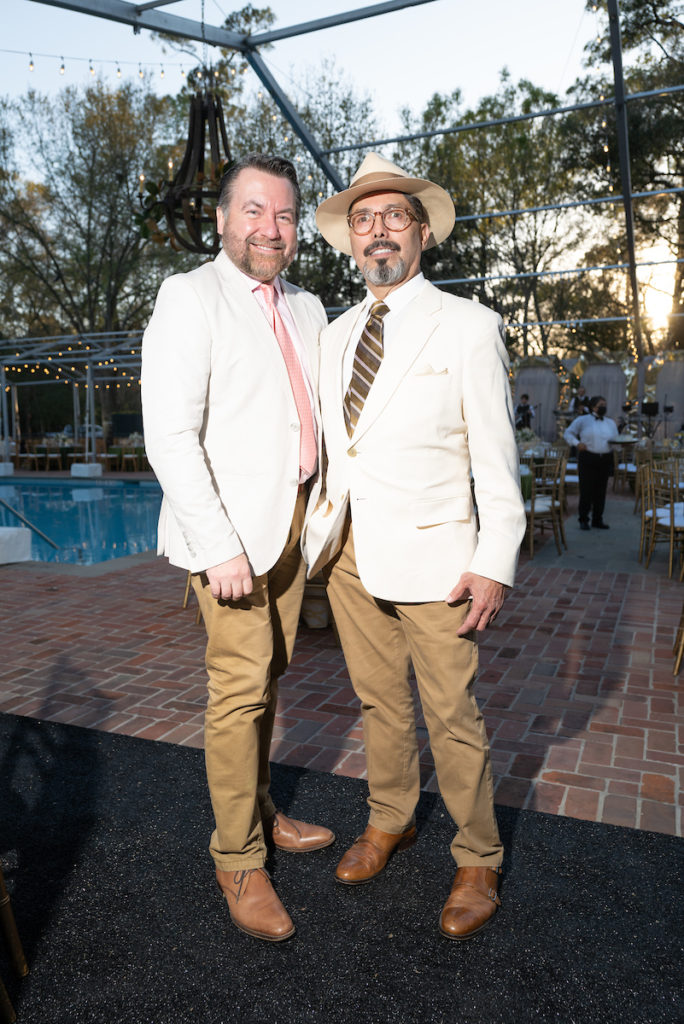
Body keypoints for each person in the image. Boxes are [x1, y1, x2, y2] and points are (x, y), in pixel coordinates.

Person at [303, 153, 526, 941]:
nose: (377, 232)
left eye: (393, 216)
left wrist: (495, 558)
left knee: (451, 714)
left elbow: (496, 457)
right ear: (350, 241)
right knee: (378, 705)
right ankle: (389, 820)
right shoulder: (332, 336)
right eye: (363, 220)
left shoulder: (468, 326)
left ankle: (477, 857)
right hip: (352, 556)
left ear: (422, 232)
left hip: (439, 559)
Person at [141, 153, 333, 943]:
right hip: (229, 541)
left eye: (285, 215)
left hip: (294, 526)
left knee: (270, 680)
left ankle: (259, 808)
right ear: (222, 220)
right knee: (239, 694)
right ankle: (237, 858)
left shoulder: (311, 306)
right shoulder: (188, 298)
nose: (271, 228)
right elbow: (171, 435)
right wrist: (218, 547)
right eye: (253, 211)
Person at [564, 395, 619, 531]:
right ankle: (583, 519)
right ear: (593, 406)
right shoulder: (582, 420)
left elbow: (616, 442)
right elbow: (568, 433)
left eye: (605, 404)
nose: (603, 407)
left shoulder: (610, 423)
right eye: (601, 404)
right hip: (587, 458)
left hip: (605, 458)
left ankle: (597, 519)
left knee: (600, 491)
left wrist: (624, 446)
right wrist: (577, 443)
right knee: (586, 490)